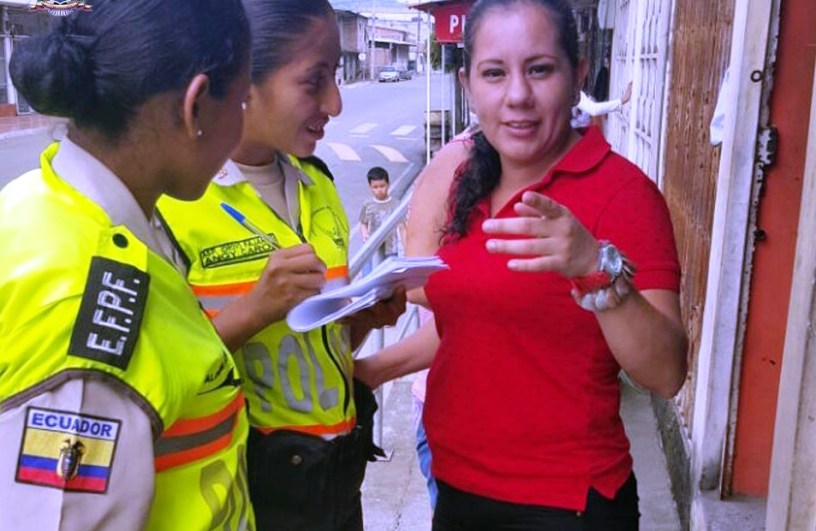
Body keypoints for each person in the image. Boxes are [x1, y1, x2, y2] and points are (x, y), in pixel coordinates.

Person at [356, 0, 688, 529]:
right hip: (456, 487)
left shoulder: (623, 194)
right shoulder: (467, 181)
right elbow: (471, 323)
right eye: (494, 73)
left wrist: (595, 268)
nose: (517, 96)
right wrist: (366, 371)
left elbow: (666, 372)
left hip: (566, 502)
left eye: (540, 69)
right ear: (468, 85)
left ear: (578, 73)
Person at [0, 1, 253, 529]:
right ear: (197, 106)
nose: (244, 124)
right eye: (243, 101)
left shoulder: (40, 200)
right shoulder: (90, 315)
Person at [157, 1, 405, 529]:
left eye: (335, 77)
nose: (334, 104)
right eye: (314, 81)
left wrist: (361, 320)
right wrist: (253, 312)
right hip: (253, 494)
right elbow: (155, 388)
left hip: (337, 481)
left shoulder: (319, 186)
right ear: (243, 78)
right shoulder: (174, 205)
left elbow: (314, 346)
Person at [358, 166, 405, 275]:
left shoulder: (396, 204)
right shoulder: (368, 205)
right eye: (375, 187)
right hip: (373, 248)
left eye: (382, 186)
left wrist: (405, 247)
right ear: (370, 186)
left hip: (391, 248)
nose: (379, 190)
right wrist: (365, 235)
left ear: (388, 184)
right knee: (370, 275)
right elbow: (363, 223)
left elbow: (402, 226)